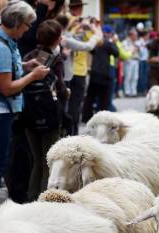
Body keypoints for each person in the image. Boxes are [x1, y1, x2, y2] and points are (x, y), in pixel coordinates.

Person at [0, 1, 49, 220]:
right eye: (26, 25)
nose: (27, 30)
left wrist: (26, 67)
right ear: (16, 23)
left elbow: (7, 72)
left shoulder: (3, 39)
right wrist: (32, 77)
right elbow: (7, 88)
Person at [23, 19, 68, 200]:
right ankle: (44, 200)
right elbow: (61, 88)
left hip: (29, 114)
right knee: (48, 161)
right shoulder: (55, 60)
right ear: (57, 39)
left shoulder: (28, 58)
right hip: (49, 116)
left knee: (36, 161)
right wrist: (67, 93)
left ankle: (31, 197)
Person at [63, 0, 97, 135]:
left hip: (77, 70)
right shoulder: (67, 20)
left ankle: (71, 133)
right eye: (80, 7)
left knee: (72, 106)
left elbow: (94, 43)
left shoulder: (81, 23)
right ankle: (70, 133)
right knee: (71, 105)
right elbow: (95, 42)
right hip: (71, 69)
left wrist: (88, 27)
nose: (81, 10)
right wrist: (78, 25)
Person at [81, 24, 118, 124]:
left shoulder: (95, 43)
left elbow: (92, 52)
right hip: (105, 74)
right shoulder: (107, 43)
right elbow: (116, 53)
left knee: (90, 97)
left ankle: (86, 117)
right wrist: (113, 42)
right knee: (104, 99)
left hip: (94, 73)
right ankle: (103, 119)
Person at [122, 28, 140, 97]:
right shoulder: (125, 42)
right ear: (131, 35)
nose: (136, 37)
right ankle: (127, 92)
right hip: (129, 61)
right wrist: (133, 49)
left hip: (136, 60)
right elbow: (125, 51)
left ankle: (134, 92)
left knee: (135, 77)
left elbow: (139, 51)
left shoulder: (137, 42)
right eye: (135, 35)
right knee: (128, 77)